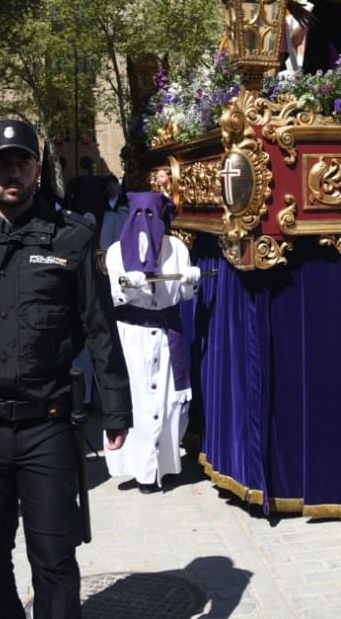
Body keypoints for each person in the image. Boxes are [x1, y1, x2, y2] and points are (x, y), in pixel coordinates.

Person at [0, 120, 131, 619]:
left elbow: (99, 329)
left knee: (55, 555)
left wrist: (116, 409)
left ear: (37, 168)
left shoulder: (71, 240)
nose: (14, 173)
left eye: (23, 161)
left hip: (47, 425)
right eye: (2, 163)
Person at [104, 191, 200, 494]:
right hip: (133, 335)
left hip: (169, 334)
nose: (145, 222)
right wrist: (131, 287)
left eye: (152, 215)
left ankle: (168, 466)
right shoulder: (116, 252)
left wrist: (188, 281)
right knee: (139, 404)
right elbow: (115, 295)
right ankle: (142, 471)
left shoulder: (177, 248)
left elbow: (185, 295)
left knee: (171, 403)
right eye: (139, 215)